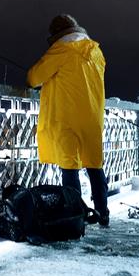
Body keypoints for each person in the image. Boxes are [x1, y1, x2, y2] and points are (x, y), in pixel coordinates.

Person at [27, 14, 109, 226]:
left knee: (69, 168)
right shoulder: (96, 51)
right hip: (92, 117)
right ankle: (103, 213)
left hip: (67, 119)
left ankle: (76, 217)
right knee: (94, 166)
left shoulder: (61, 50)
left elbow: (34, 78)